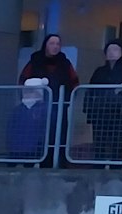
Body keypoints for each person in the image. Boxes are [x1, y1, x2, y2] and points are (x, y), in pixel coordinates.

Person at [19, 34, 79, 166]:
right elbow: (23, 81)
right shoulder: (35, 61)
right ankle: (32, 162)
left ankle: (57, 163)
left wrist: (67, 100)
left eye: (58, 44)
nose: (55, 46)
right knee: (36, 136)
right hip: (37, 108)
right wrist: (30, 99)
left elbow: (75, 83)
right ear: (46, 45)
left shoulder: (65, 63)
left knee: (57, 135)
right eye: (52, 43)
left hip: (59, 106)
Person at [84, 39, 122, 167]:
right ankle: (97, 173)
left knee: (116, 147)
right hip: (100, 114)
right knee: (99, 146)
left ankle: (115, 174)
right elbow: (90, 90)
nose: (111, 53)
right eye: (109, 50)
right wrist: (89, 111)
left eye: (115, 49)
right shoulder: (100, 71)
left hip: (119, 114)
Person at [8, 78, 53, 164]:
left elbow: (47, 128)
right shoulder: (17, 110)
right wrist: (10, 145)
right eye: (26, 91)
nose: (27, 94)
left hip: (35, 150)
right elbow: (10, 129)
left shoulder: (45, 109)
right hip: (16, 149)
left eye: (31, 91)